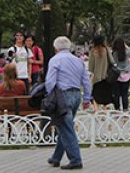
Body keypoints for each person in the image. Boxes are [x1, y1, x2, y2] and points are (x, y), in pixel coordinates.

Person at [45, 36, 92, 170]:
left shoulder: (55, 60)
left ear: (56, 48)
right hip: (76, 95)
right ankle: (56, 157)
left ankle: (75, 159)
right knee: (64, 125)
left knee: (66, 128)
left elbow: (50, 81)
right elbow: (86, 81)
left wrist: (50, 95)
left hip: (62, 96)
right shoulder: (78, 61)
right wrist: (87, 98)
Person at [87, 35, 114, 109]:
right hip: (105, 75)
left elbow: (91, 64)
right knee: (104, 93)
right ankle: (104, 110)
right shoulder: (106, 49)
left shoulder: (93, 51)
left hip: (96, 77)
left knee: (96, 93)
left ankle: (96, 109)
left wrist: (90, 72)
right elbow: (112, 61)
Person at [111, 37, 130, 111]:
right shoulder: (126, 52)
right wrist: (126, 46)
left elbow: (112, 62)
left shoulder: (114, 53)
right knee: (124, 94)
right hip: (126, 74)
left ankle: (117, 109)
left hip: (117, 75)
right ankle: (125, 109)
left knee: (116, 94)